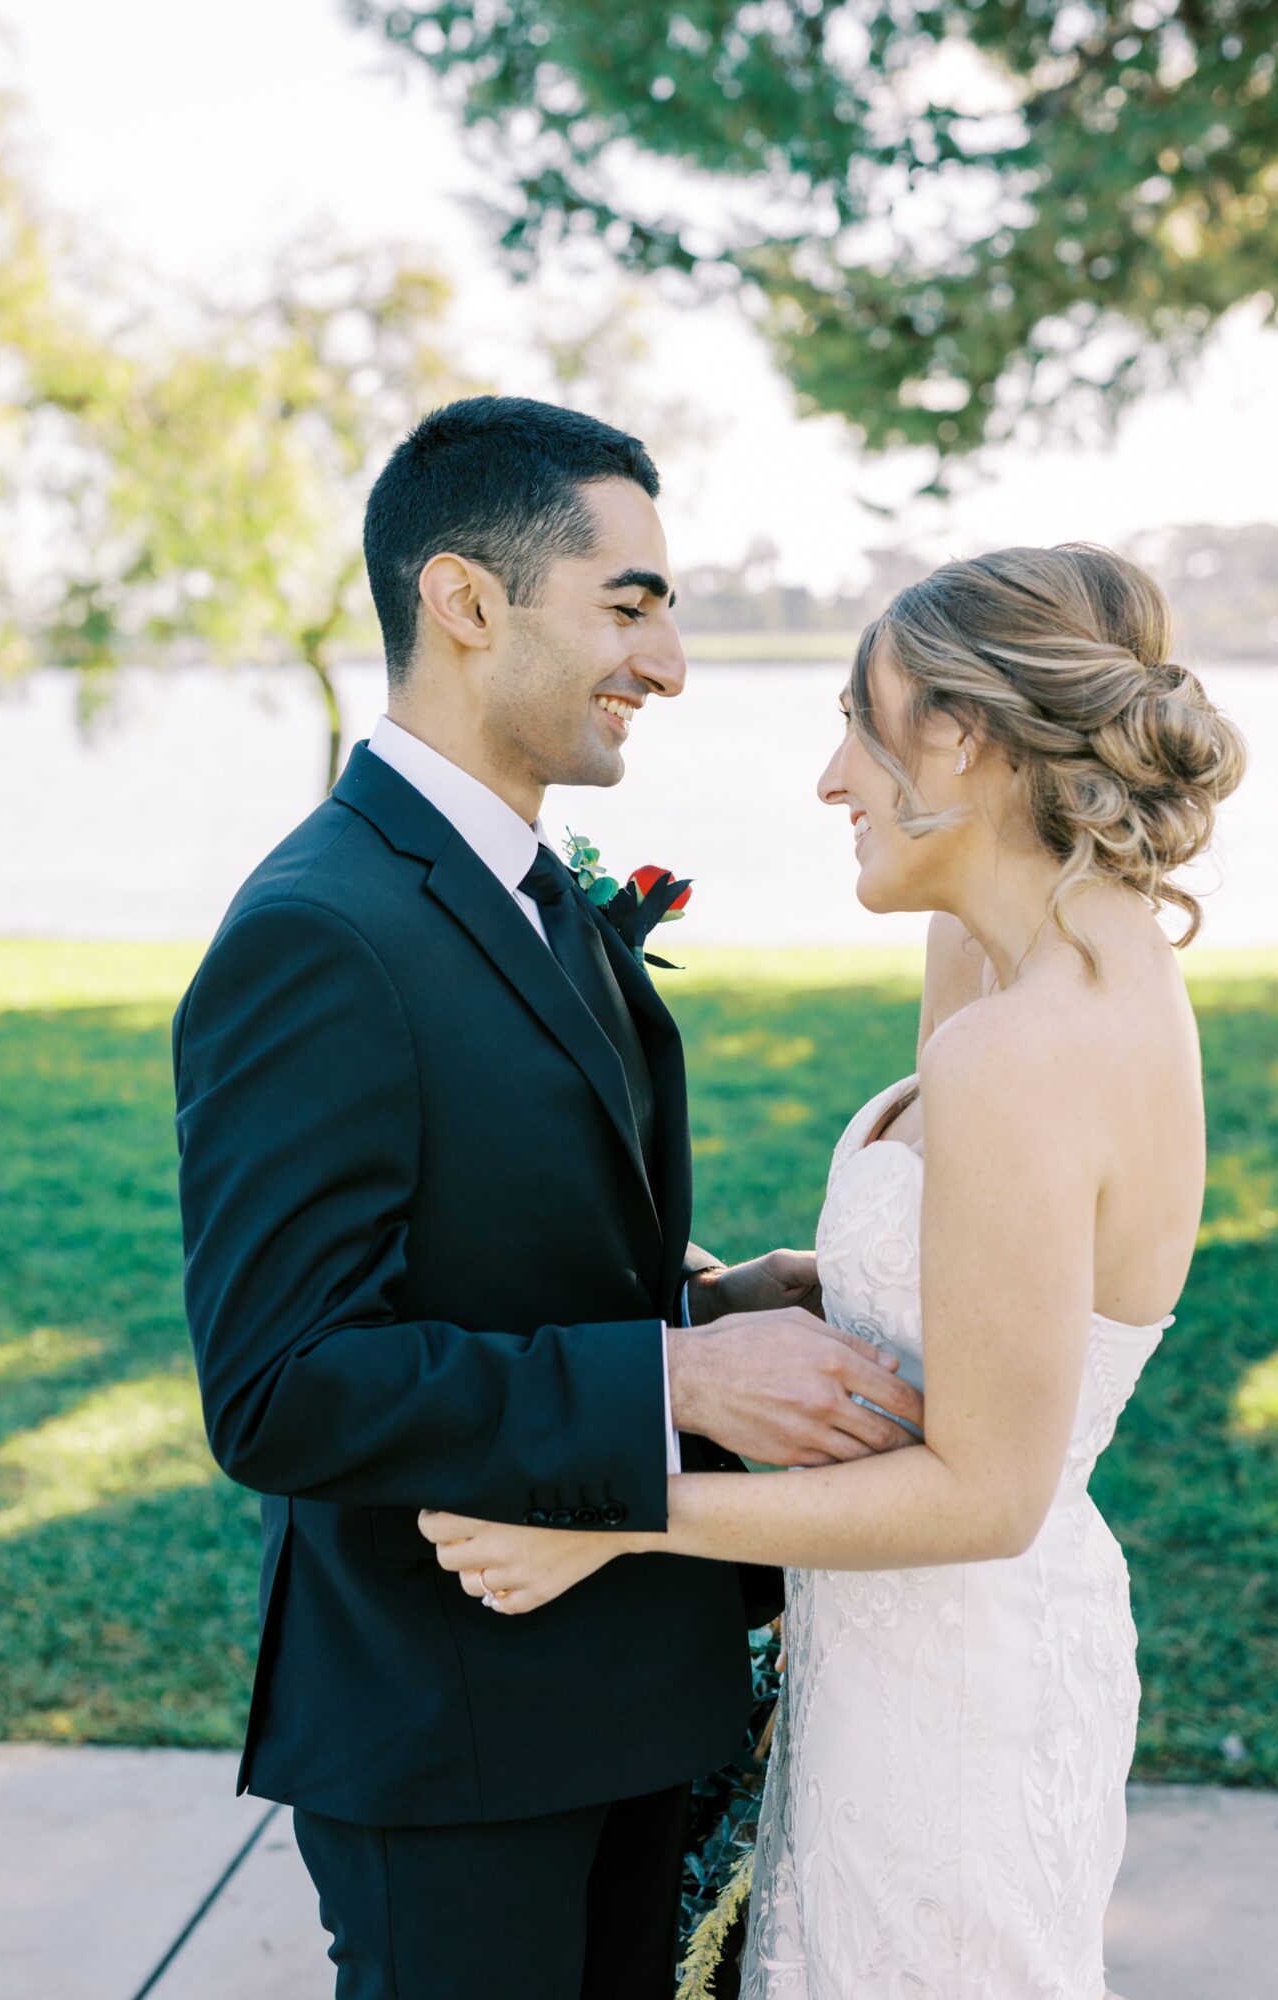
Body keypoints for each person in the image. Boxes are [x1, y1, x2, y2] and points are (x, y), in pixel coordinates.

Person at [172, 395, 925, 2000]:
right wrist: (680, 1374)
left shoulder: (531, 889)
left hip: (623, 1680)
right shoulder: (321, 932)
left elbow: (516, 1241)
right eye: (629, 606)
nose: (663, 665)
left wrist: (712, 1300)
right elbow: (280, 1389)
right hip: (454, 1734)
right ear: (465, 599)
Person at [419, 543, 1246, 1999]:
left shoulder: (1024, 1048)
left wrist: (609, 1519)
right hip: (910, 1651)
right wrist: (791, 1287)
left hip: (953, 1692)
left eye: (856, 725)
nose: (827, 779)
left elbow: (984, 1495)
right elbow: (980, 1278)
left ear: (964, 740)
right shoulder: (1039, 968)